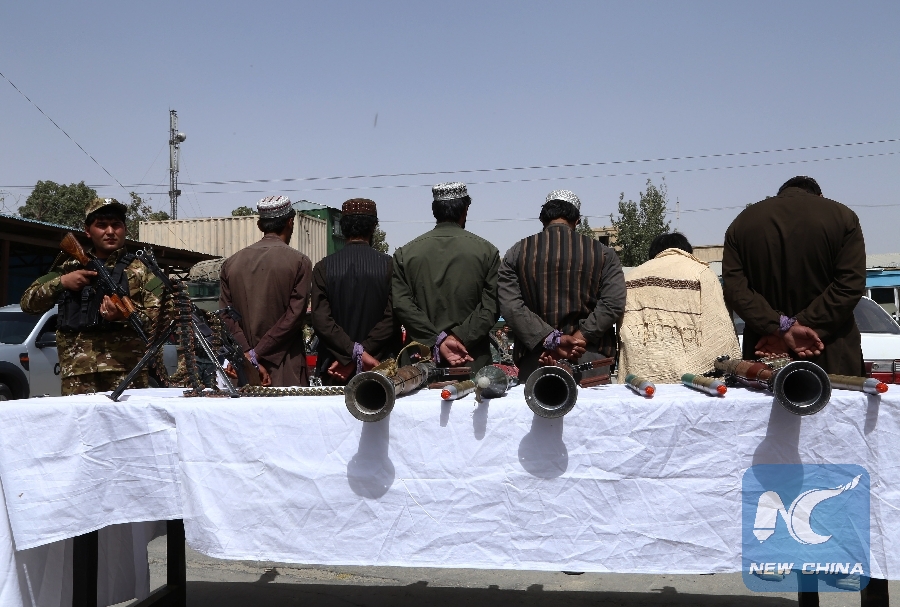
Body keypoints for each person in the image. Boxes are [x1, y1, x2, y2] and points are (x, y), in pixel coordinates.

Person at [722, 176, 866, 376]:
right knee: (835, 396)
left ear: (780, 194)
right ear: (820, 196)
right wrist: (801, 325)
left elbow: (735, 289)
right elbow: (850, 284)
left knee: (764, 396)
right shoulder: (842, 217)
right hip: (829, 352)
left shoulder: (742, 222)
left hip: (766, 353)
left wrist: (780, 328)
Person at [20, 197, 163, 395]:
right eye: (101, 225)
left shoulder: (142, 271)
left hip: (128, 372)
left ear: (125, 229)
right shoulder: (69, 268)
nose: (110, 231)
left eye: (116, 225)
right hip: (77, 374)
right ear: (88, 231)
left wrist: (124, 316)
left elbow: (163, 319)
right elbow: (27, 303)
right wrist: (62, 283)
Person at [498, 190, 625, 382]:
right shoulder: (603, 254)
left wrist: (552, 340)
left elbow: (511, 306)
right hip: (589, 357)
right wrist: (579, 339)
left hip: (537, 357)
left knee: (537, 402)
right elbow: (612, 303)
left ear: (543, 219)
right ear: (577, 220)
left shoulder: (516, 253)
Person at [392, 182, 500, 373]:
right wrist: (459, 337)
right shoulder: (487, 252)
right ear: (465, 210)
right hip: (470, 360)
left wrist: (438, 340)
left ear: (434, 211)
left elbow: (402, 306)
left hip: (419, 364)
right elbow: (492, 306)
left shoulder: (405, 254)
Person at [618, 232, 740, 383]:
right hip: (693, 381)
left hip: (640, 380)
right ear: (686, 251)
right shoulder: (701, 272)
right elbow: (719, 328)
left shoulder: (630, 277)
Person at [219, 196, 312, 387]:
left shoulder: (231, 264)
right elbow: (294, 317)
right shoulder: (299, 262)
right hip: (286, 369)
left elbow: (225, 316)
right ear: (290, 222)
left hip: (244, 371)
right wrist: (256, 354)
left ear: (260, 225)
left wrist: (248, 354)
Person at [310, 198, 400, 385]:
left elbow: (321, 321)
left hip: (335, 369)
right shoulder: (389, 266)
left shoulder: (323, 268)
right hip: (380, 369)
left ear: (343, 228)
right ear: (374, 227)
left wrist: (353, 355)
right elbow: (393, 317)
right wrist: (362, 355)